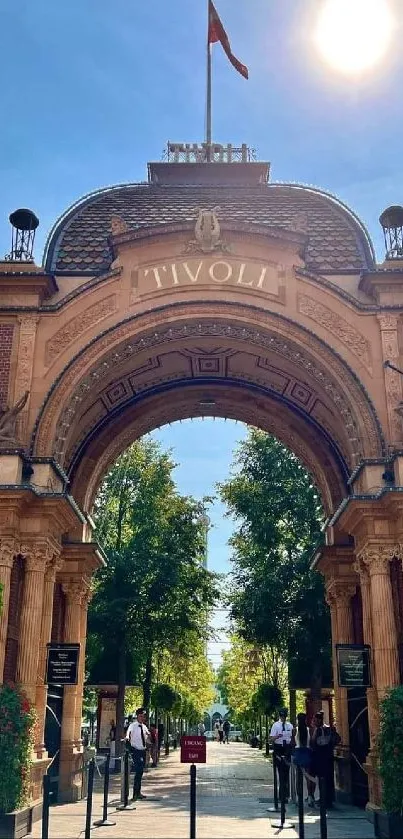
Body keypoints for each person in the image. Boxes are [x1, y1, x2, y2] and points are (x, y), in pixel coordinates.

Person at [310, 710, 340, 809]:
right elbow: (338, 739)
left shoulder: (318, 730)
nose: (314, 721)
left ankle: (324, 799)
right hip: (329, 757)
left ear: (319, 720)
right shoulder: (329, 729)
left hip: (320, 759)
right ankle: (329, 799)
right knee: (329, 779)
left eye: (315, 720)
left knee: (322, 779)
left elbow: (313, 744)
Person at [126, 707, 150, 801]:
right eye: (140, 716)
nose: (142, 718)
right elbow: (128, 732)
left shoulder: (144, 727)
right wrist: (127, 737)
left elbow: (147, 737)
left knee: (140, 772)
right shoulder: (133, 725)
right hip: (135, 750)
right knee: (138, 770)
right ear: (137, 716)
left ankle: (138, 792)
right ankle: (135, 793)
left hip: (142, 750)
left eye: (143, 716)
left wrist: (149, 738)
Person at [270, 708, 294, 801]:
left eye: (284, 716)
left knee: (286, 772)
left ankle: (286, 795)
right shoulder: (276, 725)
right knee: (281, 773)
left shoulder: (290, 726)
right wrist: (277, 736)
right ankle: (282, 795)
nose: (283, 718)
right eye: (282, 716)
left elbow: (292, 737)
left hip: (287, 748)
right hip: (279, 748)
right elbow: (271, 739)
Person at [292, 712, 315, 807]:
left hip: (298, 754)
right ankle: (310, 797)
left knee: (298, 777)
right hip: (307, 753)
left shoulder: (295, 730)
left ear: (297, 720)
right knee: (308, 777)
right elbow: (312, 742)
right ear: (305, 720)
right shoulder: (309, 730)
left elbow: (293, 742)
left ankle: (299, 797)